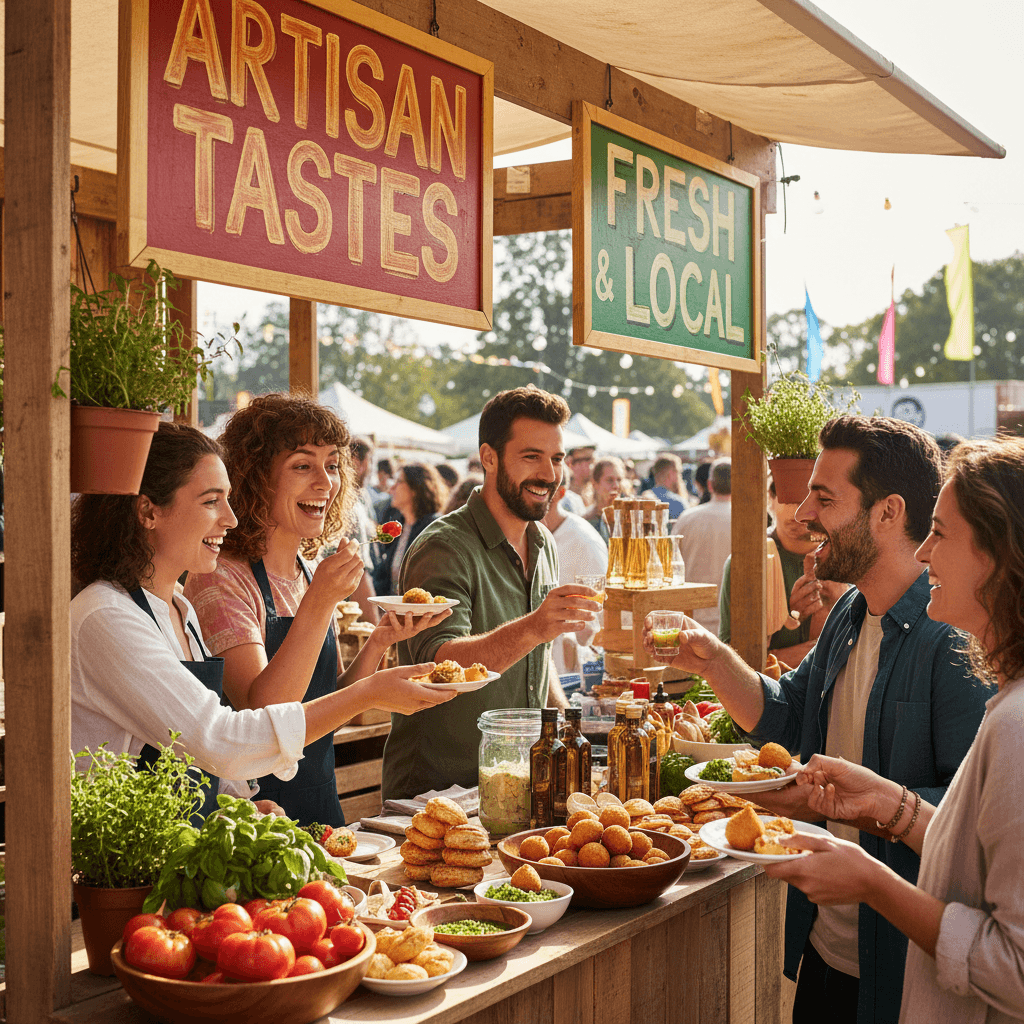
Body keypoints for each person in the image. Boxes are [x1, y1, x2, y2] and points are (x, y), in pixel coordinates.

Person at [644, 416, 992, 1024]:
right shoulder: (853, 608)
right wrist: (715, 660)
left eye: (823, 498)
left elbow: (970, 825)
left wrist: (874, 805)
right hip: (828, 948)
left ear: (888, 513)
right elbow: (788, 717)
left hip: (905, 969)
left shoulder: (952, 640)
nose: (802, 513)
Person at [72, 422, 455, 821]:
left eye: (332, 465)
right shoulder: (106, 616)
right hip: (124, 875)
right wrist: (366, 693)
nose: (230, 519)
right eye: (211, 501)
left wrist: (238, 805)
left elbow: (201, 753)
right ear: (149, 511)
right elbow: (221, 738)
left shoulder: (178, 609)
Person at [767, 435, 1024, 1024]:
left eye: (941, 534)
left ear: (999, 555)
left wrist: (871, 880)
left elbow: (1013, 968)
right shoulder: (852, 617)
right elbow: (976, 849)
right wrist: (888, 802)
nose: (925, 553)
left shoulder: (1013, 721)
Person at [185, 393, 451, 826]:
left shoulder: (308, 571)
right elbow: (263, 711)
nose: (326, 483)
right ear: (256, 477)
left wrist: (380, 640)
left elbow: (329, 703)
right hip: (260, 815)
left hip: (323, 802)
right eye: (302, 465)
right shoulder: (221, 577)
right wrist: (322, 600)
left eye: (332, 465)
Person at [382, 386, 599, 800]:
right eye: (531, 456)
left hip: (515, 784)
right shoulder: (443, 546)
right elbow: (437, 663)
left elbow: (538, 661)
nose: (550, 475)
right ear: (489, 458)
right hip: (437, 794)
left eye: (556, 459)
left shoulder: (543, 542)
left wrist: (570, 733)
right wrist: (536, 627)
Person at [718, 475, 848, 669]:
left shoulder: (847, 557)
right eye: (788, 499)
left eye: (808, 499)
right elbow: (732, 657)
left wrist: (842, 600)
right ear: (770, 498)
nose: (797, 512)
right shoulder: (748, 563)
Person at [542, 468, 608, 676]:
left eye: (544, 488)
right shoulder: (530, 533)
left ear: (561, 493)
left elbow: (601, 611)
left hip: (569, 672)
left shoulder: (584, 540)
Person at [671, 457, 732, 633]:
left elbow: (668, 566)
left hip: (691, 622)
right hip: (731, 622)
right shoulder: (747, 521)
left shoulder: (687, 519)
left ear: (710, 485)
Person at [373, 462, 448, 597]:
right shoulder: (399, 524)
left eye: (399, 482)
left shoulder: (434, 528)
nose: (391, 488)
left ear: (415, 488)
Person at [583, 456, 627, 542]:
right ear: (595, 483)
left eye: (619, 480)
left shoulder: (629, 520)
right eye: (610, 480)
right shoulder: (586, 522)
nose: (616, 486)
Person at [642, 453, 689, 518]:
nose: (680, 476)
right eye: (679, 472)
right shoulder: (678, 503)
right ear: (671, 473)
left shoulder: (644, 499)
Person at [563, 444, 596, 514]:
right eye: (590, 460)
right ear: (571, 463)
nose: (594, 465)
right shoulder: (563, 494)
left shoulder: (594, 491)